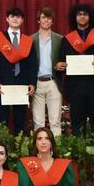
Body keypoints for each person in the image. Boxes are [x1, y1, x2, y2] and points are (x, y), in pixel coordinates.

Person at [57, 4, 94, 134]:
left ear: (90, 17)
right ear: (74, 17)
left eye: (85, 14)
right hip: (75, 86)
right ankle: (78, 151)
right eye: (79, 14)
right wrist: (59, 65)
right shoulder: (67, 39)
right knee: (77, 121)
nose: (82, 17)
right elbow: (61, 61)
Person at [0, 7, 37, 134]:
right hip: (3, 84)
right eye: (12, 16)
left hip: (22, 85)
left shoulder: (28, 41)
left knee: (20, 119)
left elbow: (32, 64)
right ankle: (2, 148)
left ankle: (19, 147)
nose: (15, 19)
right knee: (2, 119)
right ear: (7, 19)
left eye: (18, 17)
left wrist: (32, 83)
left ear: (22, 20)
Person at [31, 7, 64, 136]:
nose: (46, 20)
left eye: (49, 18)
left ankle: (57, 150)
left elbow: (64, 58)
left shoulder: (60, 39)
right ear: (38, 20)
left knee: (55, 120)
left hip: (53, 81)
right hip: (37, 82)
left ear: (52, 21)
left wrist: (61, 64)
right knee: (38, 121)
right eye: (43, 17)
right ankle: (37, 150)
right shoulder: (30, 39)